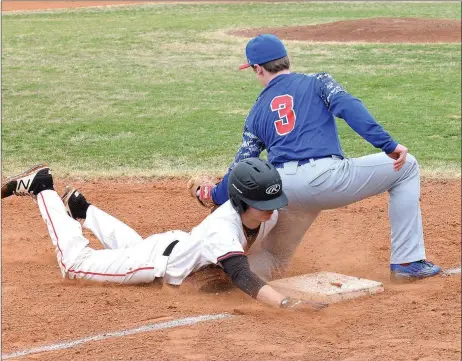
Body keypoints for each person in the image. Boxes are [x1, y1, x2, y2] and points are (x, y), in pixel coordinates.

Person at [193, 34, 440, 282]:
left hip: (280, 192)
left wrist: (211, 193)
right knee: (407, 166)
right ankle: (407, 262)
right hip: (326, 180)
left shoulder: (255, 112)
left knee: (275, 258)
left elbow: (241, 167)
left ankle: (229, 278)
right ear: (286, 60)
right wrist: (387, 144)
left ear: (258, 69)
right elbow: (349, 106)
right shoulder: (318, 81)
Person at [1, 161, 327, 311]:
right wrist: (285, 303)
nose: (272, 210)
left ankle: (83, 209)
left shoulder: (257, 214)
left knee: (139, 247)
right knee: (75, 264)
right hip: (155, 263)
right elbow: (242, 277)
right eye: (264, 204)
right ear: (242, 201)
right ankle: (42, 188)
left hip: (174, 245)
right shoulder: (223, 230)